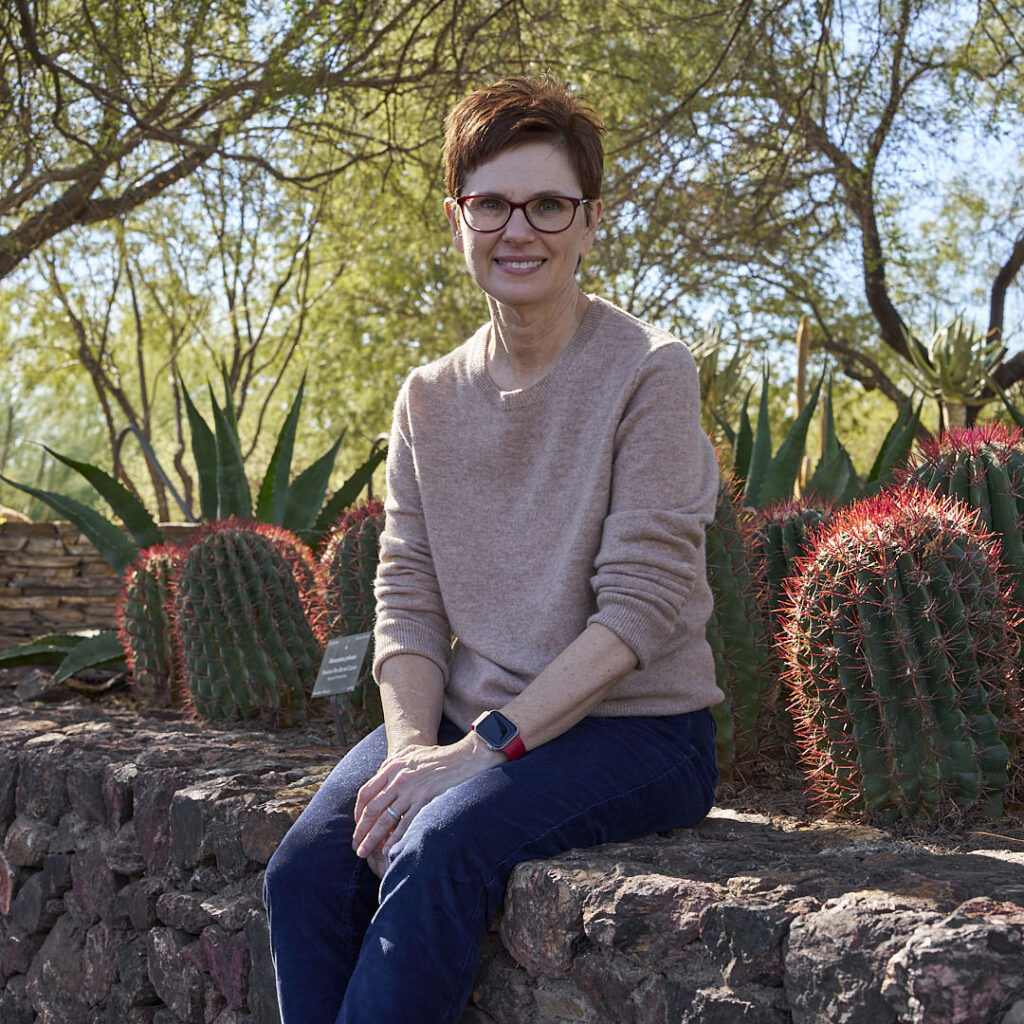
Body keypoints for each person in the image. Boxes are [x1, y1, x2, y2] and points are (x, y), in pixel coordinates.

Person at [263, 74, 723, 1024]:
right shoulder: (428, 396)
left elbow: (639, 610)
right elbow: (409, 599)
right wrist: (405, 756)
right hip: (465, 726)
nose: (521, 229)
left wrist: (476, 757)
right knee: (308, 867)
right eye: (492, 204)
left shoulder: (648, 372)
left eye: (550, 204)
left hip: (633, 730)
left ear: (590, 222)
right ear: (457, 219)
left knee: (439, 846)